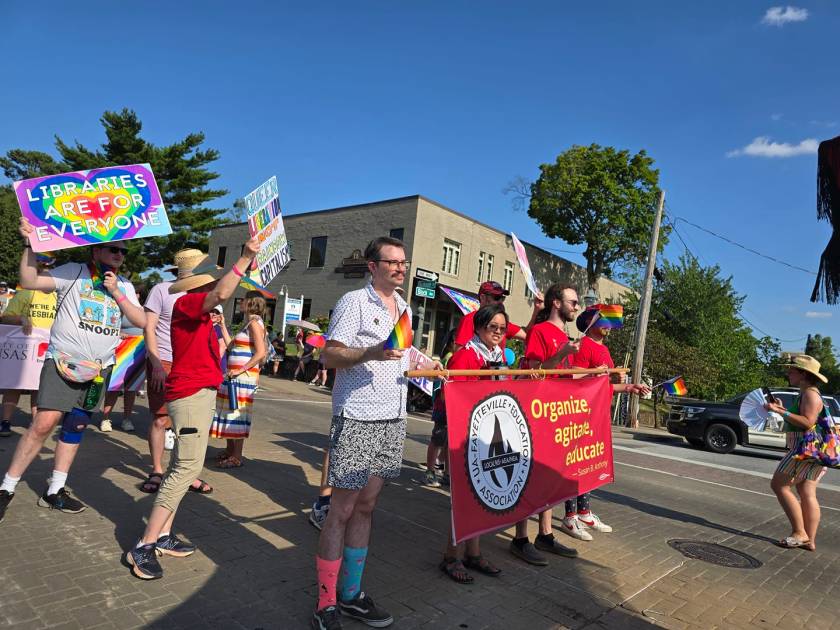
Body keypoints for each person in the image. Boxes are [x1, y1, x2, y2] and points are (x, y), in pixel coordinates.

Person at [311, 236, 439, 630]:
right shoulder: (354, 302)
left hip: (393, 418)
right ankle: (326, 603)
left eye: (404, 262)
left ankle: (351, 595)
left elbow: (401, 352)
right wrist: (369, 352)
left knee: (366, 507)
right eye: (393, 262)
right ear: (373, 266)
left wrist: (428, 361)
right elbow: (328, 354)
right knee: (342, 510)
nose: (401, 268)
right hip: (358, 417)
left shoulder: (404, 306)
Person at [125, 237, 260, 580]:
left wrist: (219, 327)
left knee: (185, 464)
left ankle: (164, 535)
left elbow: (219, 340)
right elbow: (221, 294)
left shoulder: (203, 312)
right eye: (212, 277)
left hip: (200, 391)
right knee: (186, 467)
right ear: (200, 281)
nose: (218, 281)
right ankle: (145, 544)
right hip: (189, 393)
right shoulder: (186, 301)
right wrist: (243, 257)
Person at [0, 219, 146, 523]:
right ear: (96, 251)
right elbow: (29, 280)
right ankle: (7, 488)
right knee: (44, 424)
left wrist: (117, 292)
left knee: (76, 427)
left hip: (99, 370)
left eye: (123, 250)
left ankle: (55, 490)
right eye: (113, 249)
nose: (120, 254)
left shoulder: (125, 285)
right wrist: (29, 244)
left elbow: (141, 321)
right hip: (63, 362)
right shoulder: (73, 272)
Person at [564, 306, 651, 540]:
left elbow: (606, 385)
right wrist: (599, 374)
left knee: (590, 463)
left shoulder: (604, 349)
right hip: (579, 414)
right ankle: (570, 517)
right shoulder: (582, 345)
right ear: (592, 323)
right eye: (604, 320)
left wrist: (630, 388)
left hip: (598, 414)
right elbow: (573, 378)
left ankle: (584, 512)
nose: (610, 324)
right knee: (574, 465)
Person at [509, 284, 581, 565]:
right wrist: (563, 354)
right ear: (556, 303)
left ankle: (546, 534)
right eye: (572, 302)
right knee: (528, 475)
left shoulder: (564, 335)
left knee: (550, 476)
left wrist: (597, 376)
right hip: (537, 412)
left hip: (557, 413)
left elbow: (565, 375)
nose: (576, 307)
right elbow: (534, 372)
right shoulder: (540, 332)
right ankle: (520, 538)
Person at [439, 304, 507, 583]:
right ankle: (450, 556)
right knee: (464, 500)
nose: (498, 334)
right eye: (493, 328)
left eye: (502, 330)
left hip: (489, 435)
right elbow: (447, 397)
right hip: (466, 436)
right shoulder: (465, 356)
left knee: (480, 498)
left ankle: (474, 553)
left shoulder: (500, 357)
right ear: (479, 327)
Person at [140, 252, 213, 495]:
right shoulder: (162, 290)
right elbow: (148, 328)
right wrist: (156, 363)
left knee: (188, 424)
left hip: (191, 365)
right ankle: (158, 470)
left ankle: (185, 472)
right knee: (161, 419)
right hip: (164, 360)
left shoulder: (205, 295)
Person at [766, 354, 830, 551]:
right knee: (806, 491)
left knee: (779, 485)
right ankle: (809, 540)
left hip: (803, 451)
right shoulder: (808, 393)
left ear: (803, 374)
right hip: (816, 452)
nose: (788, 373)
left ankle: (799, 532)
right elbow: (800, 418)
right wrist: (782, 408)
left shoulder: (810, 394)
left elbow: (808, 422)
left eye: (792, 370)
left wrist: (780, 412)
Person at [0, 255, 57, 437]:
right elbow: (6, 317)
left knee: (40, 386)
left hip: (49, 347)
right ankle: (6, 421)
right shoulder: (25, 293)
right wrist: (21, 318)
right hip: (24, 349)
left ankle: (36, 424)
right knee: (15, 386)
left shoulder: (59, 296)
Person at [210, 291, 267, 469]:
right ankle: (230, 451)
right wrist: (223, 325)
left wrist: (240, 370)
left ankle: (236, 456)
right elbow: (230, 346)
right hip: (235, 377)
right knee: (230, 412)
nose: (240, 302)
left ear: (250, 302)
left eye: (243, 300)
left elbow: (261, 353)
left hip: (243, 378)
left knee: (238, 414)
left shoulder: (255, 324)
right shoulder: (248, 323)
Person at [452, 281, 542, 352]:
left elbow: (528, 335)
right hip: (482, 373)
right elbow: (459, 352)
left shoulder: (501, 322)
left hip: (499, 372)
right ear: (483, 298)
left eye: (502, 298)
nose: (500, 301)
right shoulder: (470, 320)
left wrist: (537, 310)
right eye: (496, 297)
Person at [100, 311, 143, 433]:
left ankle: (127, 419)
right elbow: (108, 324)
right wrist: (118, 333)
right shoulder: (119, 307)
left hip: (140, 347)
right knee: (115, 385)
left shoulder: (145, 308)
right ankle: (106, 418)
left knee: (132, 387)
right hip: (122, 346)